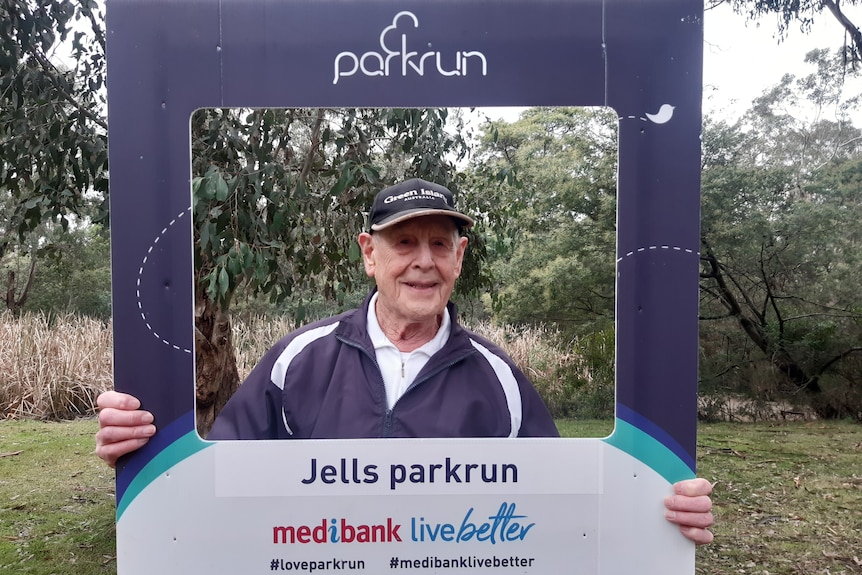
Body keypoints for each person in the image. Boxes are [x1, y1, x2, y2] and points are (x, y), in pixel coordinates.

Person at [96, 177, 714, 544]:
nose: (424, 261)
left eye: (439, 243)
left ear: (460, 257)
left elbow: (563, 515)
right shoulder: (298, 360)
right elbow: (213, 480)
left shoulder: (500, 382)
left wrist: (659, 510)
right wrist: (141, 451)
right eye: (404, 242)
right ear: (369, 253)